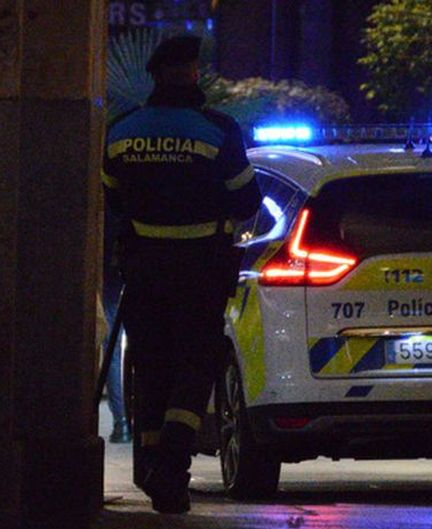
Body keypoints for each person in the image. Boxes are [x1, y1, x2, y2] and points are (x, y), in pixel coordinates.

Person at [101, 34, 262, 514]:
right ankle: (172, 459)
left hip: (144, 266)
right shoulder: (217, 130)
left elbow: (113, 197)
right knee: (196, 365)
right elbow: (247, 200)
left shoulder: (122, 130)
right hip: (200, 267)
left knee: (152, 366)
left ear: (154, 76)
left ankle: (156, 470)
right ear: (192, 74)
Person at [102, 207, 131, 444]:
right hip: (140, 271)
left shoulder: (110, 200)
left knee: (111, 350)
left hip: (110, 276)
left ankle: (121, 422)